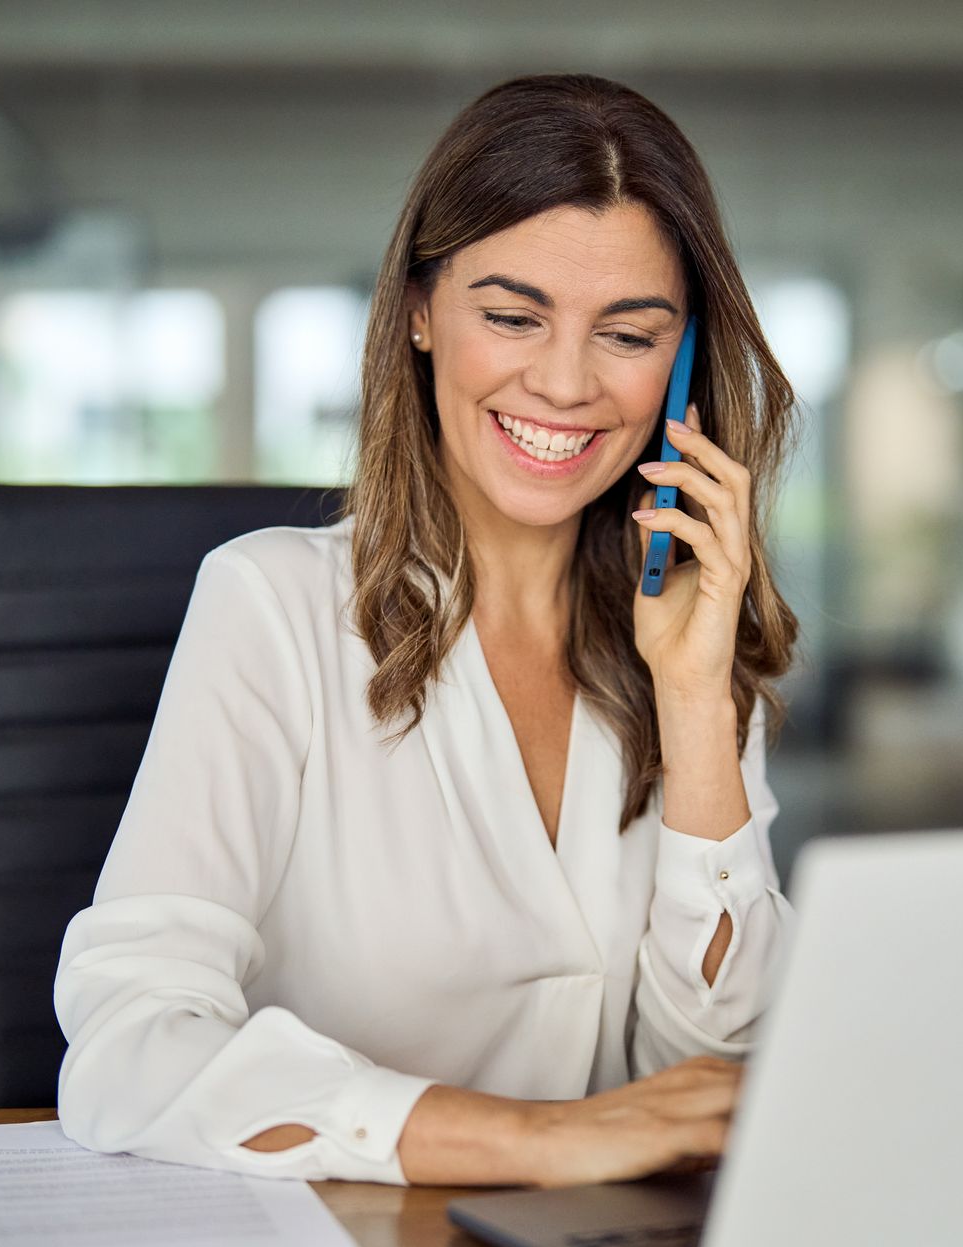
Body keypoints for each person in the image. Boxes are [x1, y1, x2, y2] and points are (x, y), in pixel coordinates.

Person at [54, 72, 801, 1189]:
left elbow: (701, 1086)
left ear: (683, 364)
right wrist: (534, 1138)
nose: (564, 381)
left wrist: (695, 699)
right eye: (511, 316)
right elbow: (128, 1045)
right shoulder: (272, 607)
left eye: (629, 334)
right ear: (417, 310)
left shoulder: (682, 637)